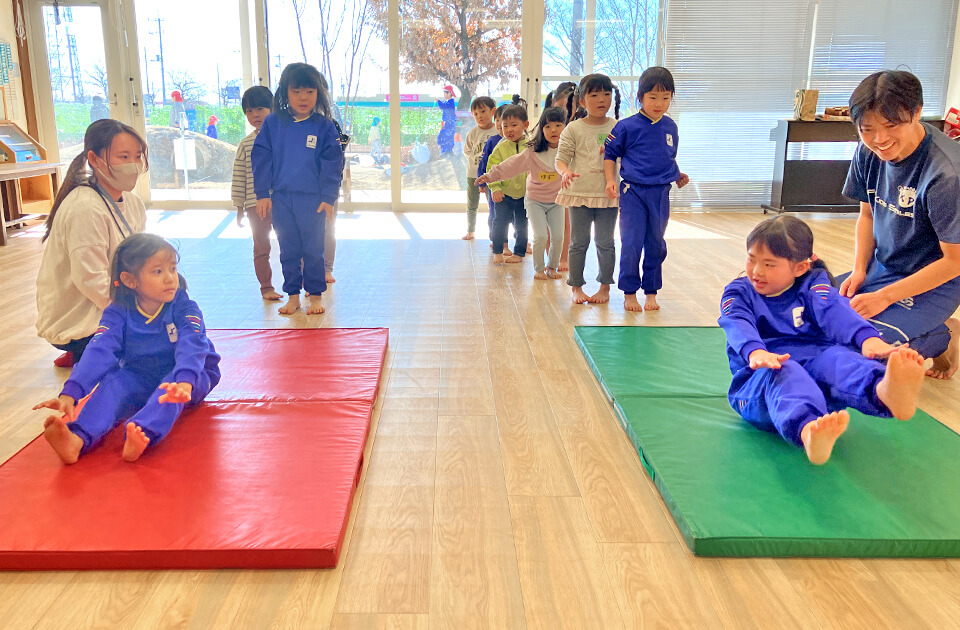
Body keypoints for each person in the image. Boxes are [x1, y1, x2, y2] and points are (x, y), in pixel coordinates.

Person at [719, 215, 926, 465]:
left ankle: (883, 391)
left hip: (820, 391)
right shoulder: (739, 292)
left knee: (838, 357)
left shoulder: (814, 286)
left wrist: (867, 339)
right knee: (785, 370)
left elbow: (835, 311)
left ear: (799, 268)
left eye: (769, 264)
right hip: (760, 389)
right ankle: (808, 431)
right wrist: (755, 353)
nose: (756, 272)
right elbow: (737, 322)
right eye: (752, 260)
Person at [33, 233, 221, 465]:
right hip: (140, 373)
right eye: (157, 271)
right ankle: (77, 439)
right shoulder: (117, 312)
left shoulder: (184, 306)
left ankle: (142, 432)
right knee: (113, 385)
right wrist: (71, 392)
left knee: (168, 392)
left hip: (191, 375)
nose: (170, 278)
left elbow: (193, 343)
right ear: (130, 280)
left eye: (172, 269)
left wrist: (185, 380)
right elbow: (99, 349)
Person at [840, 70, 960, 380]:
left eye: (891, 126)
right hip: (885, 266)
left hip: (936, 281)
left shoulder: (945, 174)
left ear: (917, 112)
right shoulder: (869, 152)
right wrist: (859, 271)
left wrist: (884, 297)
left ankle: (942, 335)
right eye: (866, 129)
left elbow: (954, 262)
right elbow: (867, 215)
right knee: (799, 309)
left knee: (861, 354)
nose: (879, 140)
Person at [36, 119, 148, 368]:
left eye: (137, 156)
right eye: (123, 156)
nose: (133, 165)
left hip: (113, 305)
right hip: (81, 318)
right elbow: (90, 279)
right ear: (95, 160)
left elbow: (142, 259)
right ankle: (82, 349)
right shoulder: (85, 207)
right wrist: (137, 315)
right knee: (154, 356)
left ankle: (91, 352)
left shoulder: (133, 203)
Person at [252, 63, 344, 315]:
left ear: (319, 94)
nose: (304, 98)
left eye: (310, 92)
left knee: (313, 248)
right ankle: (293, 295)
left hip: (313, 200)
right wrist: (262, 194)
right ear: (285, 94)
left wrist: (328, 197)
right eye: (297, 92)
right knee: (288, 248)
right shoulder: (273, 123)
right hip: (281, 198)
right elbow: (262, 158)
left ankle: (315, 296)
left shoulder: (324, 126)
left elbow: (333, 163)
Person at [604, 66, 689, 312]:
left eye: (665, 98)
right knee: (631, 242)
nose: (659, 103)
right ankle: (629, 292)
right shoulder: (626, 126)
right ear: (640, 96)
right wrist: (611, 180)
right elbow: (610, 154)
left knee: (656, 243)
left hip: (661, 193)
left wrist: (677, 175)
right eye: (653, 97)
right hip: (633, 192)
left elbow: (667, 156)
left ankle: (651, 291)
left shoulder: (670, 127)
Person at [478, 106, 567, 279]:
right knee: (536, 234)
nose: (553, 130)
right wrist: (491, 180)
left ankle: (549, 266)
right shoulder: (527, 150)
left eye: (558, 125)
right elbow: (508, 165)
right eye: (548, 126)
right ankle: (536, 267)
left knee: (555, 236)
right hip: (527, 198)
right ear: (541, 129)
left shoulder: (565, 150)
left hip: (550, 199)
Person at [555, 73, 621, 304]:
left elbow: (630, 157)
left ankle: (604, 287)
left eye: (606, 94)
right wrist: (565, 172)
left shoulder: (618, 127)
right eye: (594, 95)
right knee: (578, 242)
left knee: (606, 243)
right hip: (579, 193)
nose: (601, 99)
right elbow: (561, 159)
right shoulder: (573, 129)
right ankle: (576, 287)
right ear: (582, 102)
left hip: (608, 195)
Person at [232, 86, 282, 302]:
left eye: (260, 108)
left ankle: (303, 283)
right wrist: (239, 207)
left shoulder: (284, 138)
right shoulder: (246, 144)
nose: (255, 115)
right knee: (261, 247)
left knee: (293, 244)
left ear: (272, 108)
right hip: (255, 205)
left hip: (284, 202)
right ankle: (266, 287)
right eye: (249, 111)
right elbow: (240, 176)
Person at [486, 98, 530, 264]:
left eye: (514, 125)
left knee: (522, 225)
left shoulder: (531, 146)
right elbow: (491, 169)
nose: (509, 130)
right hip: (503, 195)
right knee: (499, 223)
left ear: (525, 125)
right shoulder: (501, 147)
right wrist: (495, 188)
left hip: (525, 196)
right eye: (505, 126)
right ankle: (498, 251)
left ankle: (519, 252)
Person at [543, 82, 577, 272]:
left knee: (565, 221)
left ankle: (563, 257)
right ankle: (551, 257)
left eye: (570, 108)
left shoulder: (577, 128)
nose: (565, 112)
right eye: (561, 107)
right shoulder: (546, 126)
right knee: (547, 223)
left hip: (567, 181)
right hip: (546, 182)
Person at [462, 96, 498, 240]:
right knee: (472, 203)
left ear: (493, 111)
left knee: (493, 204)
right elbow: (467, 151)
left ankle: (495, 234)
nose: (479, 116)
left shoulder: (498, 131)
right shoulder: (472, 133)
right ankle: (470, 230)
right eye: (476, 113)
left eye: (483, 111)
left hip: (492, 175)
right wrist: (476, 165)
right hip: (473, 174)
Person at [478, 104, 509, 254]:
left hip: (513, 186)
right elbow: (484, 162)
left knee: (514, 216)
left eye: (502, 121)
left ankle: (514, 242)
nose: (499, 124)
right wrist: (482, 180)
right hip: (494, 184)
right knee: (495, 213)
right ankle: (497, 240)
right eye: (497, 120)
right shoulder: (492, 141)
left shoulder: (519, 142)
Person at [436, 85, 458, 155]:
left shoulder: (450, 102)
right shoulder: (447, 101)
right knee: (443, 135)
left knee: (448, 136)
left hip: (450, 123)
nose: (444, 95)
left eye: (445, 93)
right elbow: (443, 105)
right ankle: (444, 150)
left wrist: (438, 101)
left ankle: (448, 151)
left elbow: (443, 106)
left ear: (449, 93)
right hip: (446, 122)